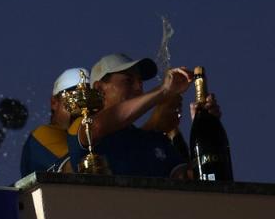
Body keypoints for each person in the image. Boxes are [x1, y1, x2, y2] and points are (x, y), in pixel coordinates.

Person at [68, 53, 220, 178]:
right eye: (128, 81)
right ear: (100, 89)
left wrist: (202, 128)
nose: (138, 88)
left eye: (140, 83)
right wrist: (163, 90)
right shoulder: (84, 126)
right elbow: (98, 126)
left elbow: (191, 182)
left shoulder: (155, 140)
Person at [19, 67, 87, 177]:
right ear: (54, 102)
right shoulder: (43, 134)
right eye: (73, 99)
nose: (82, 107)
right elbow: (78, 167)